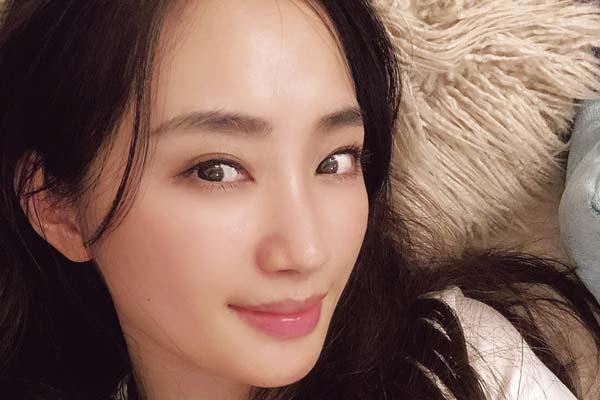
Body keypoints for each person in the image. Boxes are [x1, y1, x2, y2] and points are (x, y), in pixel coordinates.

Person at [0, 1, 599, 399]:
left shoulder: (461, 366)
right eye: (217, 170)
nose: (308, 251)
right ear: (55, 206)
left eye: (335, 161)